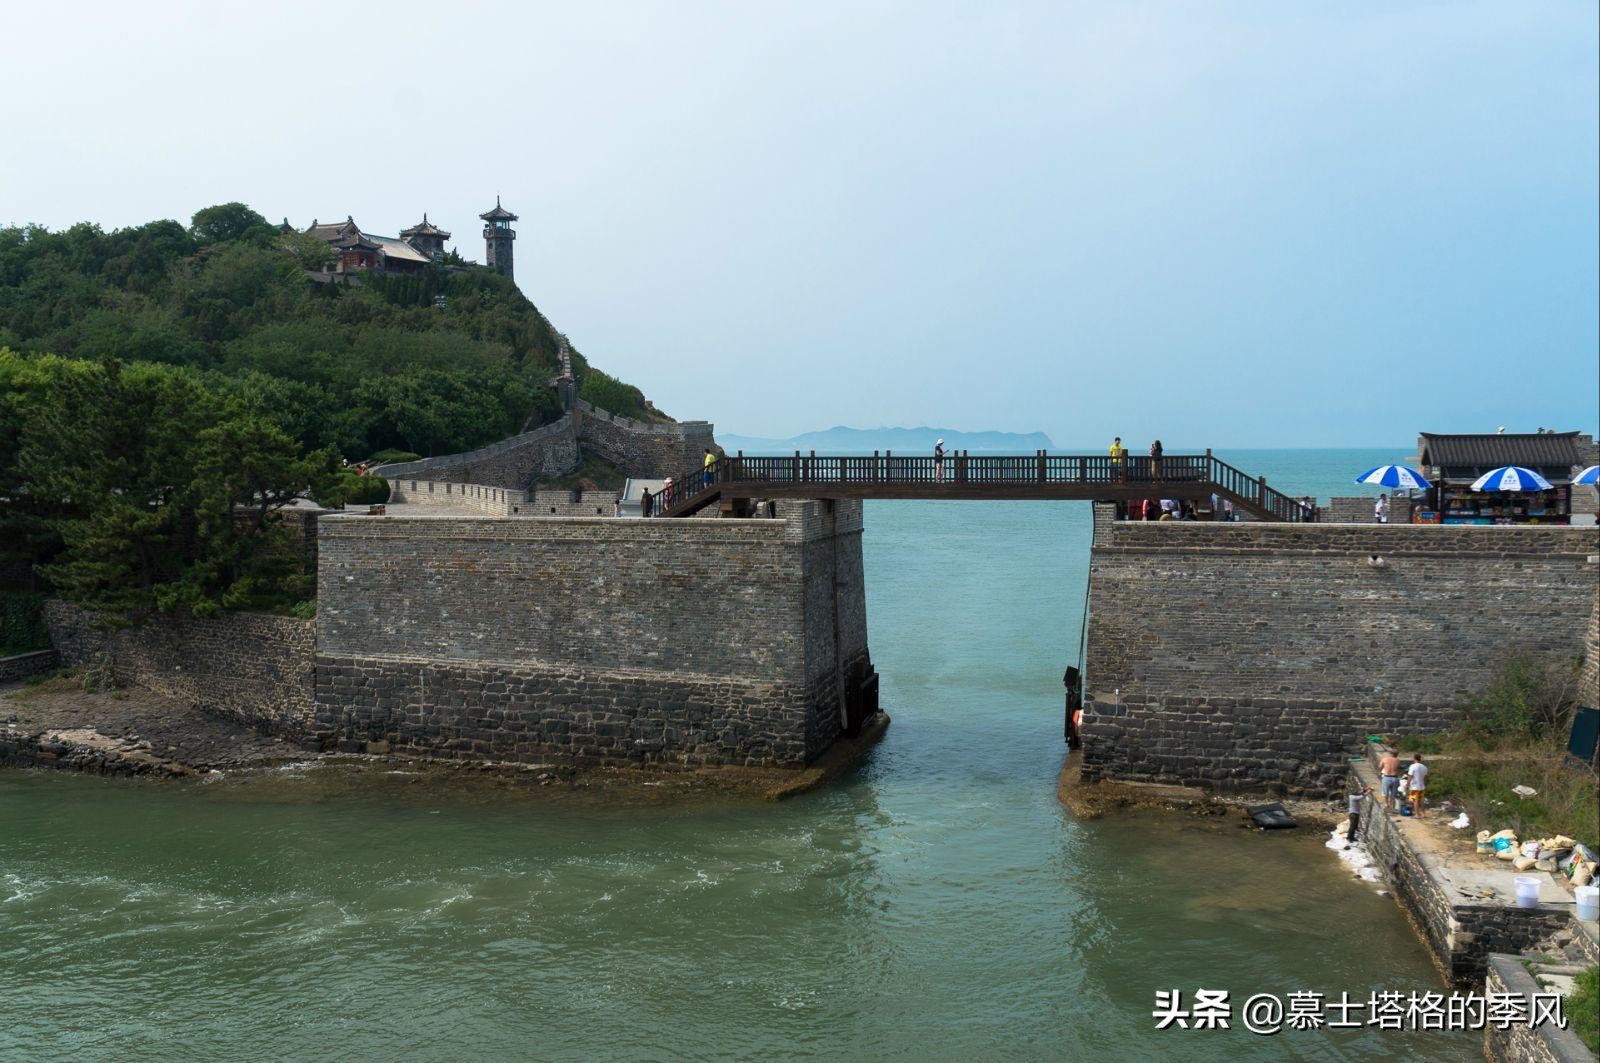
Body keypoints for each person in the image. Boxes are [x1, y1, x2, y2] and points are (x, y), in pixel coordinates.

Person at [1406, 753, 1429, 818]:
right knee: (1422, 800)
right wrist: (1425, 785)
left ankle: (1417, 814)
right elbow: (1426, 777)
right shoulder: (1424, 767)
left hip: (1414, 787)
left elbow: (1410, 776)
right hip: (1422, 787)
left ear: (1414, 758)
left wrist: (1407, 784)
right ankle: (1424, 814)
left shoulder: (1412, 766)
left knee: (1415, 800)